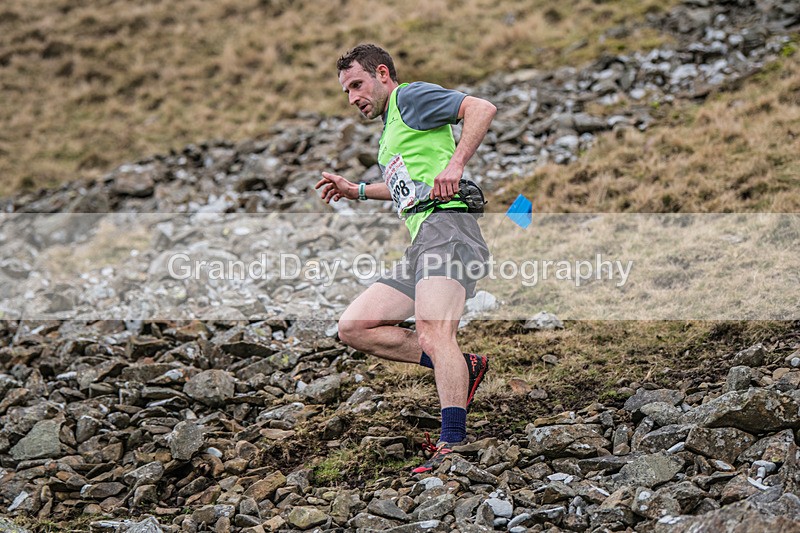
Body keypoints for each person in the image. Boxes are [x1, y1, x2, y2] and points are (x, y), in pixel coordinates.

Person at [315, 44, 496, 474]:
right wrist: (356, 190)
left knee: (435, 333)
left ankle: (453, 442)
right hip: (421, 242)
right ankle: (460, 367)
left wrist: (456, 166)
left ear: (382, 73)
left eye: (357, 84)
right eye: (345, 92)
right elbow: (406, 185)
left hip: (448, 229)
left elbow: (481, 108)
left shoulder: (409, 98)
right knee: (355, 326)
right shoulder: (391, 126)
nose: (353, 97)